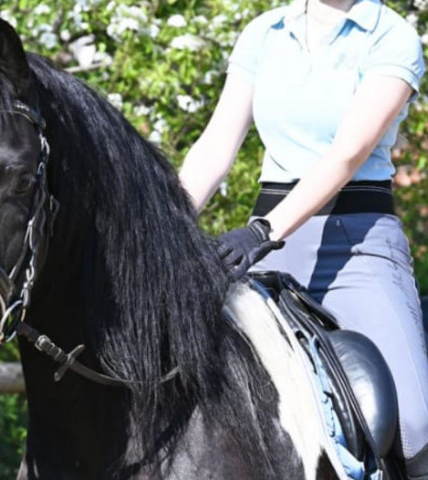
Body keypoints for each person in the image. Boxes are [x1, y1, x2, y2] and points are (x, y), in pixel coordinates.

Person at [178, 0, 428, 477]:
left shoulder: (390, 35)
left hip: (356, 242)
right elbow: (215, 146)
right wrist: (167, 226)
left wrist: (263, 228)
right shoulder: (263, 32)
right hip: (268, 250)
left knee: (416, 423)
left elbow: (347, 154)